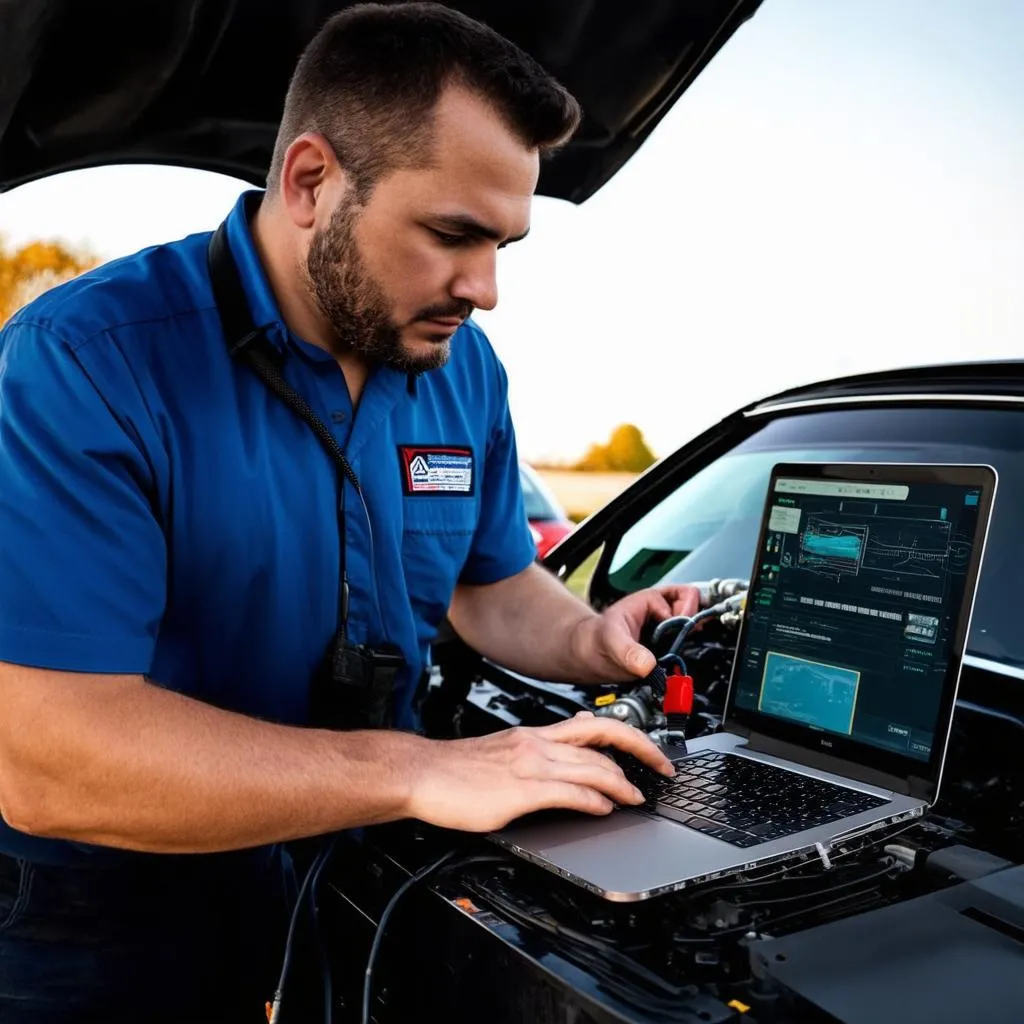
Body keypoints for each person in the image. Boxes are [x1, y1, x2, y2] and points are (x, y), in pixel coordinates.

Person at [0, 3, 699, 1020]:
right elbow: (49, 758)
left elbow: (491, 581)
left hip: (341, 869)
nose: (486, 288)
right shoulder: (88, 362)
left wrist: (589, 638)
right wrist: (412, 768)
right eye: (452, 234)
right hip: (94, 910)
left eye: (503, 242)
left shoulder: (461, 372)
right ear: (311, 182)